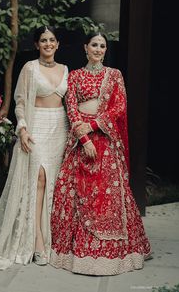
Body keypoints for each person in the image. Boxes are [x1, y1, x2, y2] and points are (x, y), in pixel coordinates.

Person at [0, 26, 68, 270]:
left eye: (52, 40)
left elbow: (70, 102)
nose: (48, 44)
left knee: (54, 181)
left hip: (60, 127)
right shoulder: (29, 68)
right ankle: (37, 241)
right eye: (43, 40)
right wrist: (22, 128)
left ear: (58, 44)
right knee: (39, 179)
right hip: (37, 125)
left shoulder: (66, 70)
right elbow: (20, 103)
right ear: (36, 44)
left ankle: (54, 237)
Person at [50, 31, 151, 275]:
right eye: (94, 45)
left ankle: (113, 255)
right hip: (79, 140)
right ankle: (77, 253)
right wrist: (84, 139)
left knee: (108, 196)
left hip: (105, 139)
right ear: (85, 48)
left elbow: (119, 107)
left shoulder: (114, 75)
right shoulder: (74, 76)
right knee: (78, 195)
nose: (98, 49)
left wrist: (93, 126)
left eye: (102, 46)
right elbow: (71, 109)